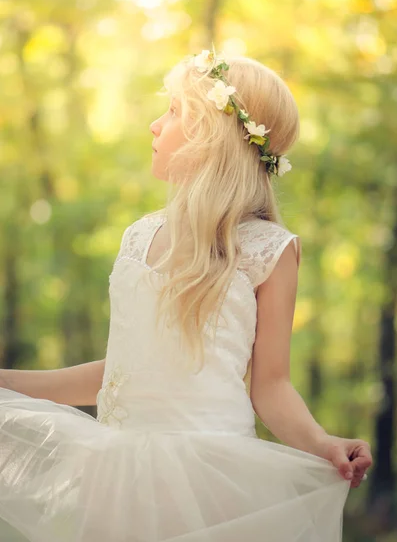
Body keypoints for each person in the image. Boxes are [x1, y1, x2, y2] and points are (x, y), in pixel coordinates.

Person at [0, 49, 372, 542]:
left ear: (212, 137)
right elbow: (122, 374)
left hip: (209, 476)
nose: (155, 125)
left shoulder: (267, 250)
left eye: (174, 111)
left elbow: (272, 386)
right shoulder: (139, 236)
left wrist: (323, 443)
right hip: (117, 475)